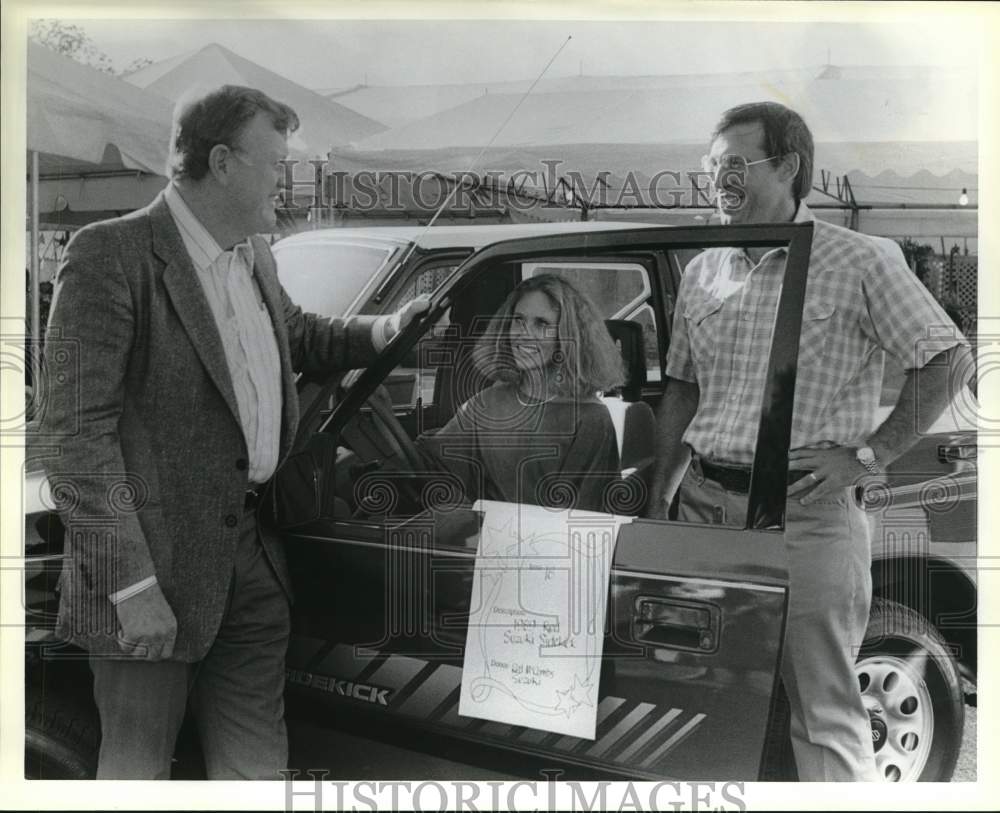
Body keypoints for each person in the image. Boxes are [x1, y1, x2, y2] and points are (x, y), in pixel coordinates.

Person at [40, 84, 428, 780]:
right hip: (148, 579)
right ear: (222, 162)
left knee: (255, 773)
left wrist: (390, 329)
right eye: (276, 162)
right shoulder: (110, 255)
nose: (287, 179)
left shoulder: (254, 253)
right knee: (135, 776)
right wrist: (132, 588)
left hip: (252, 563)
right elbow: (73, 437)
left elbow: (302, 335)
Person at [647, 101, 971, 781]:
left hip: (807, 520)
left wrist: (868, 455)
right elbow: (681, 386)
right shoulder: (706, 266)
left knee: (824, 715)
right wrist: (662, 494)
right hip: (708, 511)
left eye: (735, 164)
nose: (717, 180)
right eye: (711, 167)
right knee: (707, 701)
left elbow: (947, 358)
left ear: (789, 165)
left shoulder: (859, 258)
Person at [415, 274, 625, 514]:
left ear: (568, 337)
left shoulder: (590, 418)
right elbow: (433, 467)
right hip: (479, 543)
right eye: (518, 320)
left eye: (542, 324)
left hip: (548, 546)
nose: (524, 333)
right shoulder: (488, 401)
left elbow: (588, 518)